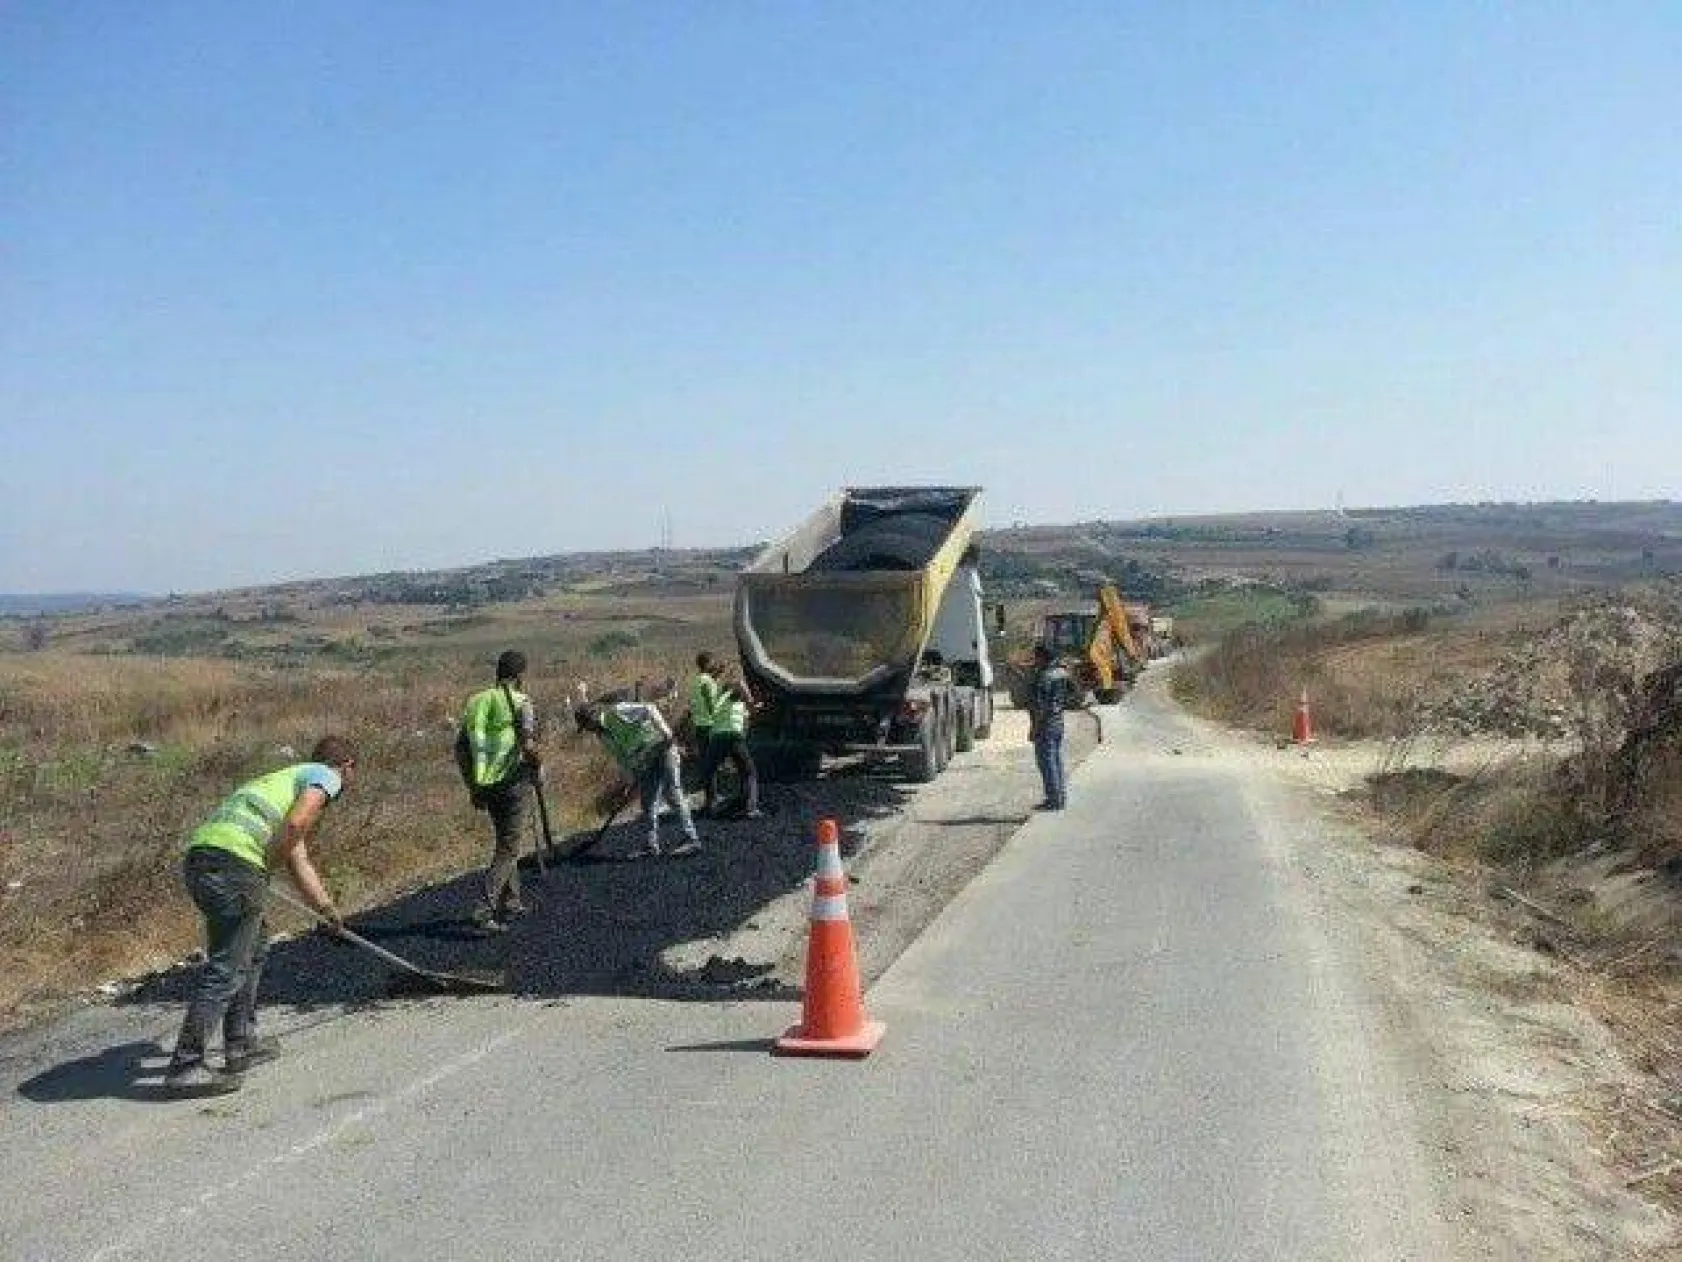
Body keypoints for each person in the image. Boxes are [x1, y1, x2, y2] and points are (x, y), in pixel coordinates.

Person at [164, 735, 357, 1095]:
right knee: (227, 966)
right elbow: (297, 826)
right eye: (352, 774)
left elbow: (296, 855)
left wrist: (326, 910)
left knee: (252, 949)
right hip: (233, 866)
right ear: (347, 767)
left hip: (203, 861)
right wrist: (263, 867)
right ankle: (186, 1065)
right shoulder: (325, 775)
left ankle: (240, 1044)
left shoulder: (280, 784)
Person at [456, 650, 542, 933]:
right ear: (519, 676)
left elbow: (462, 749)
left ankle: (511, 900)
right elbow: (528, 746)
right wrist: (537, 762)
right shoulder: (521, 702)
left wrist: (473, 786)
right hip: (513, 783)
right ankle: (485, 907)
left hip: (486, 784)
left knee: (505, 839)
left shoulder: (476, 702)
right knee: (510, 845)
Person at [574, 698, 701, 857]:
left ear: (591, 718)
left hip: (662, 748)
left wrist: (666, 733)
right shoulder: (603, 736)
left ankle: (691, 838)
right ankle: (651, 845)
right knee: (648, 803)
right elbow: (622, 758)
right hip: (644, 762)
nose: (588, 730)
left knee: (672, 793)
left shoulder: (617, 712)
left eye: (586, 726)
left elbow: (649, 708)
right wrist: (630, 780)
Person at [690, 653, 761, 819]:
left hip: (717, 736)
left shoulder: (720, 693)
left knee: (708, 769)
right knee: (749, 772)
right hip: (733, 736)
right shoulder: (734, 688)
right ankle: (749, 807)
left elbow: (722, 708)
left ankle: (710, 805)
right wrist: (753, 704)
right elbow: (748, 707)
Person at [1028, 643, 1073, 810]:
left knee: (1046, 762)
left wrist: (1034, 728)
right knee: (1056, 760)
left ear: (1042, 657)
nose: (1035, 660)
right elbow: (1073, 692)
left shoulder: (1044, 677)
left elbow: (1040, 706)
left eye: (1036, 656)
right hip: (1058, 720)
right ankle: (1060, 797)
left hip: (1045, 723)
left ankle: (1054, 800)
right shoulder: (1062, 673)